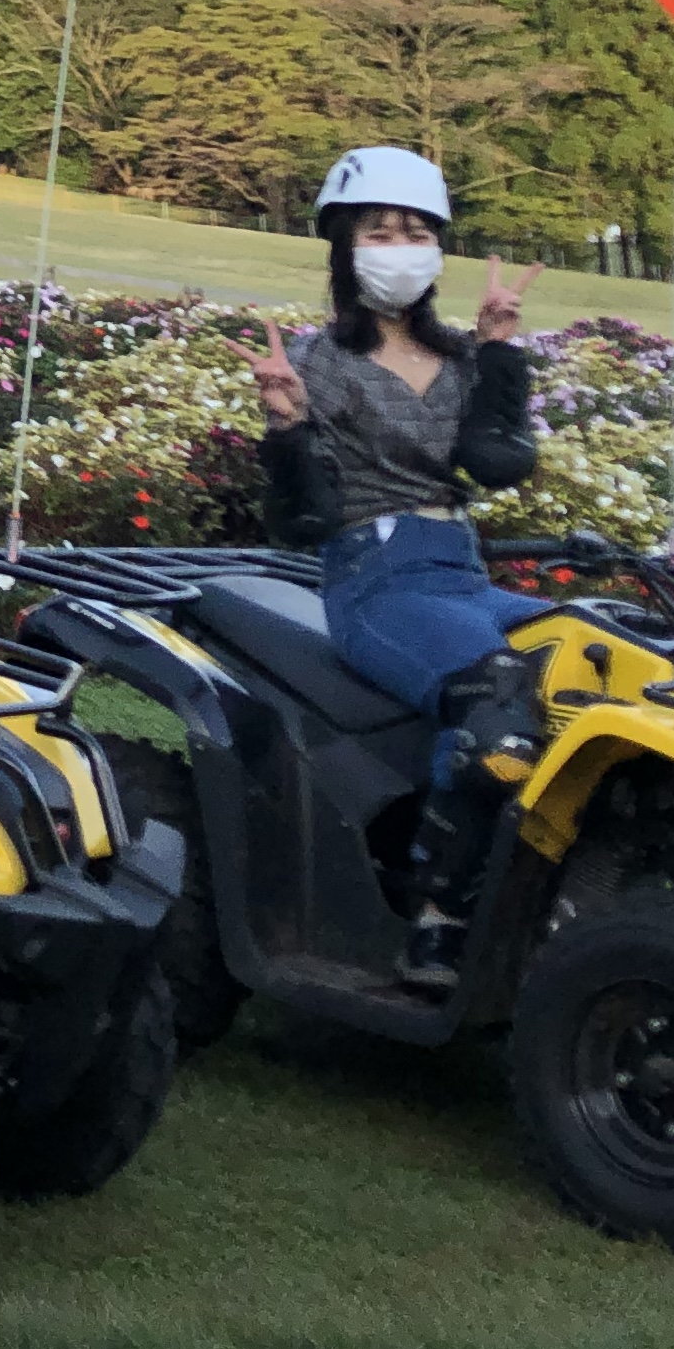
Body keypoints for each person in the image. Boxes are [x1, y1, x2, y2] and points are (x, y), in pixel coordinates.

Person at [237, 145, 541, 992]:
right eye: (379, 232)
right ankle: (437, 922)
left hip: (464, 573)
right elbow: (302, 520)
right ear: (345, 248)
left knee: (608, 654)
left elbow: (499, 464)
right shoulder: (317, 363)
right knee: (494, 704)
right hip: (377, 579)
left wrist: (501, 353)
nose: (399, 248)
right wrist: (287, 427)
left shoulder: (468, 360)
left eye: (416, 232)